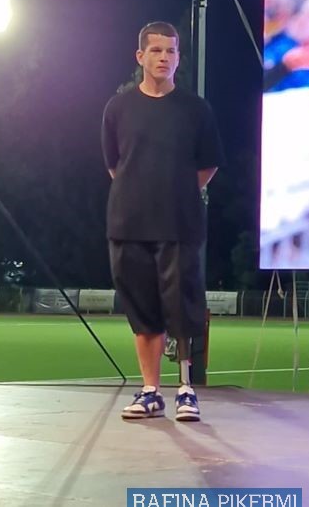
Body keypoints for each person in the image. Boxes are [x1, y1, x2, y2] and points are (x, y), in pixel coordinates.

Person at [101, 22, 224, 421]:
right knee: (143, 310)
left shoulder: (195, 109)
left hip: (179, 223)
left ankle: (186, 389)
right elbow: (114, 164)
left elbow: (208, 164)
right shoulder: (118, 108)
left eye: (171, 51)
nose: (164, 58)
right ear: (140, 56)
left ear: (178, 57)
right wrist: (140, 192)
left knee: (182, 305)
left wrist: (176, 191)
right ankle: (150, 390)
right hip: (129, 224)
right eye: (156, 50)